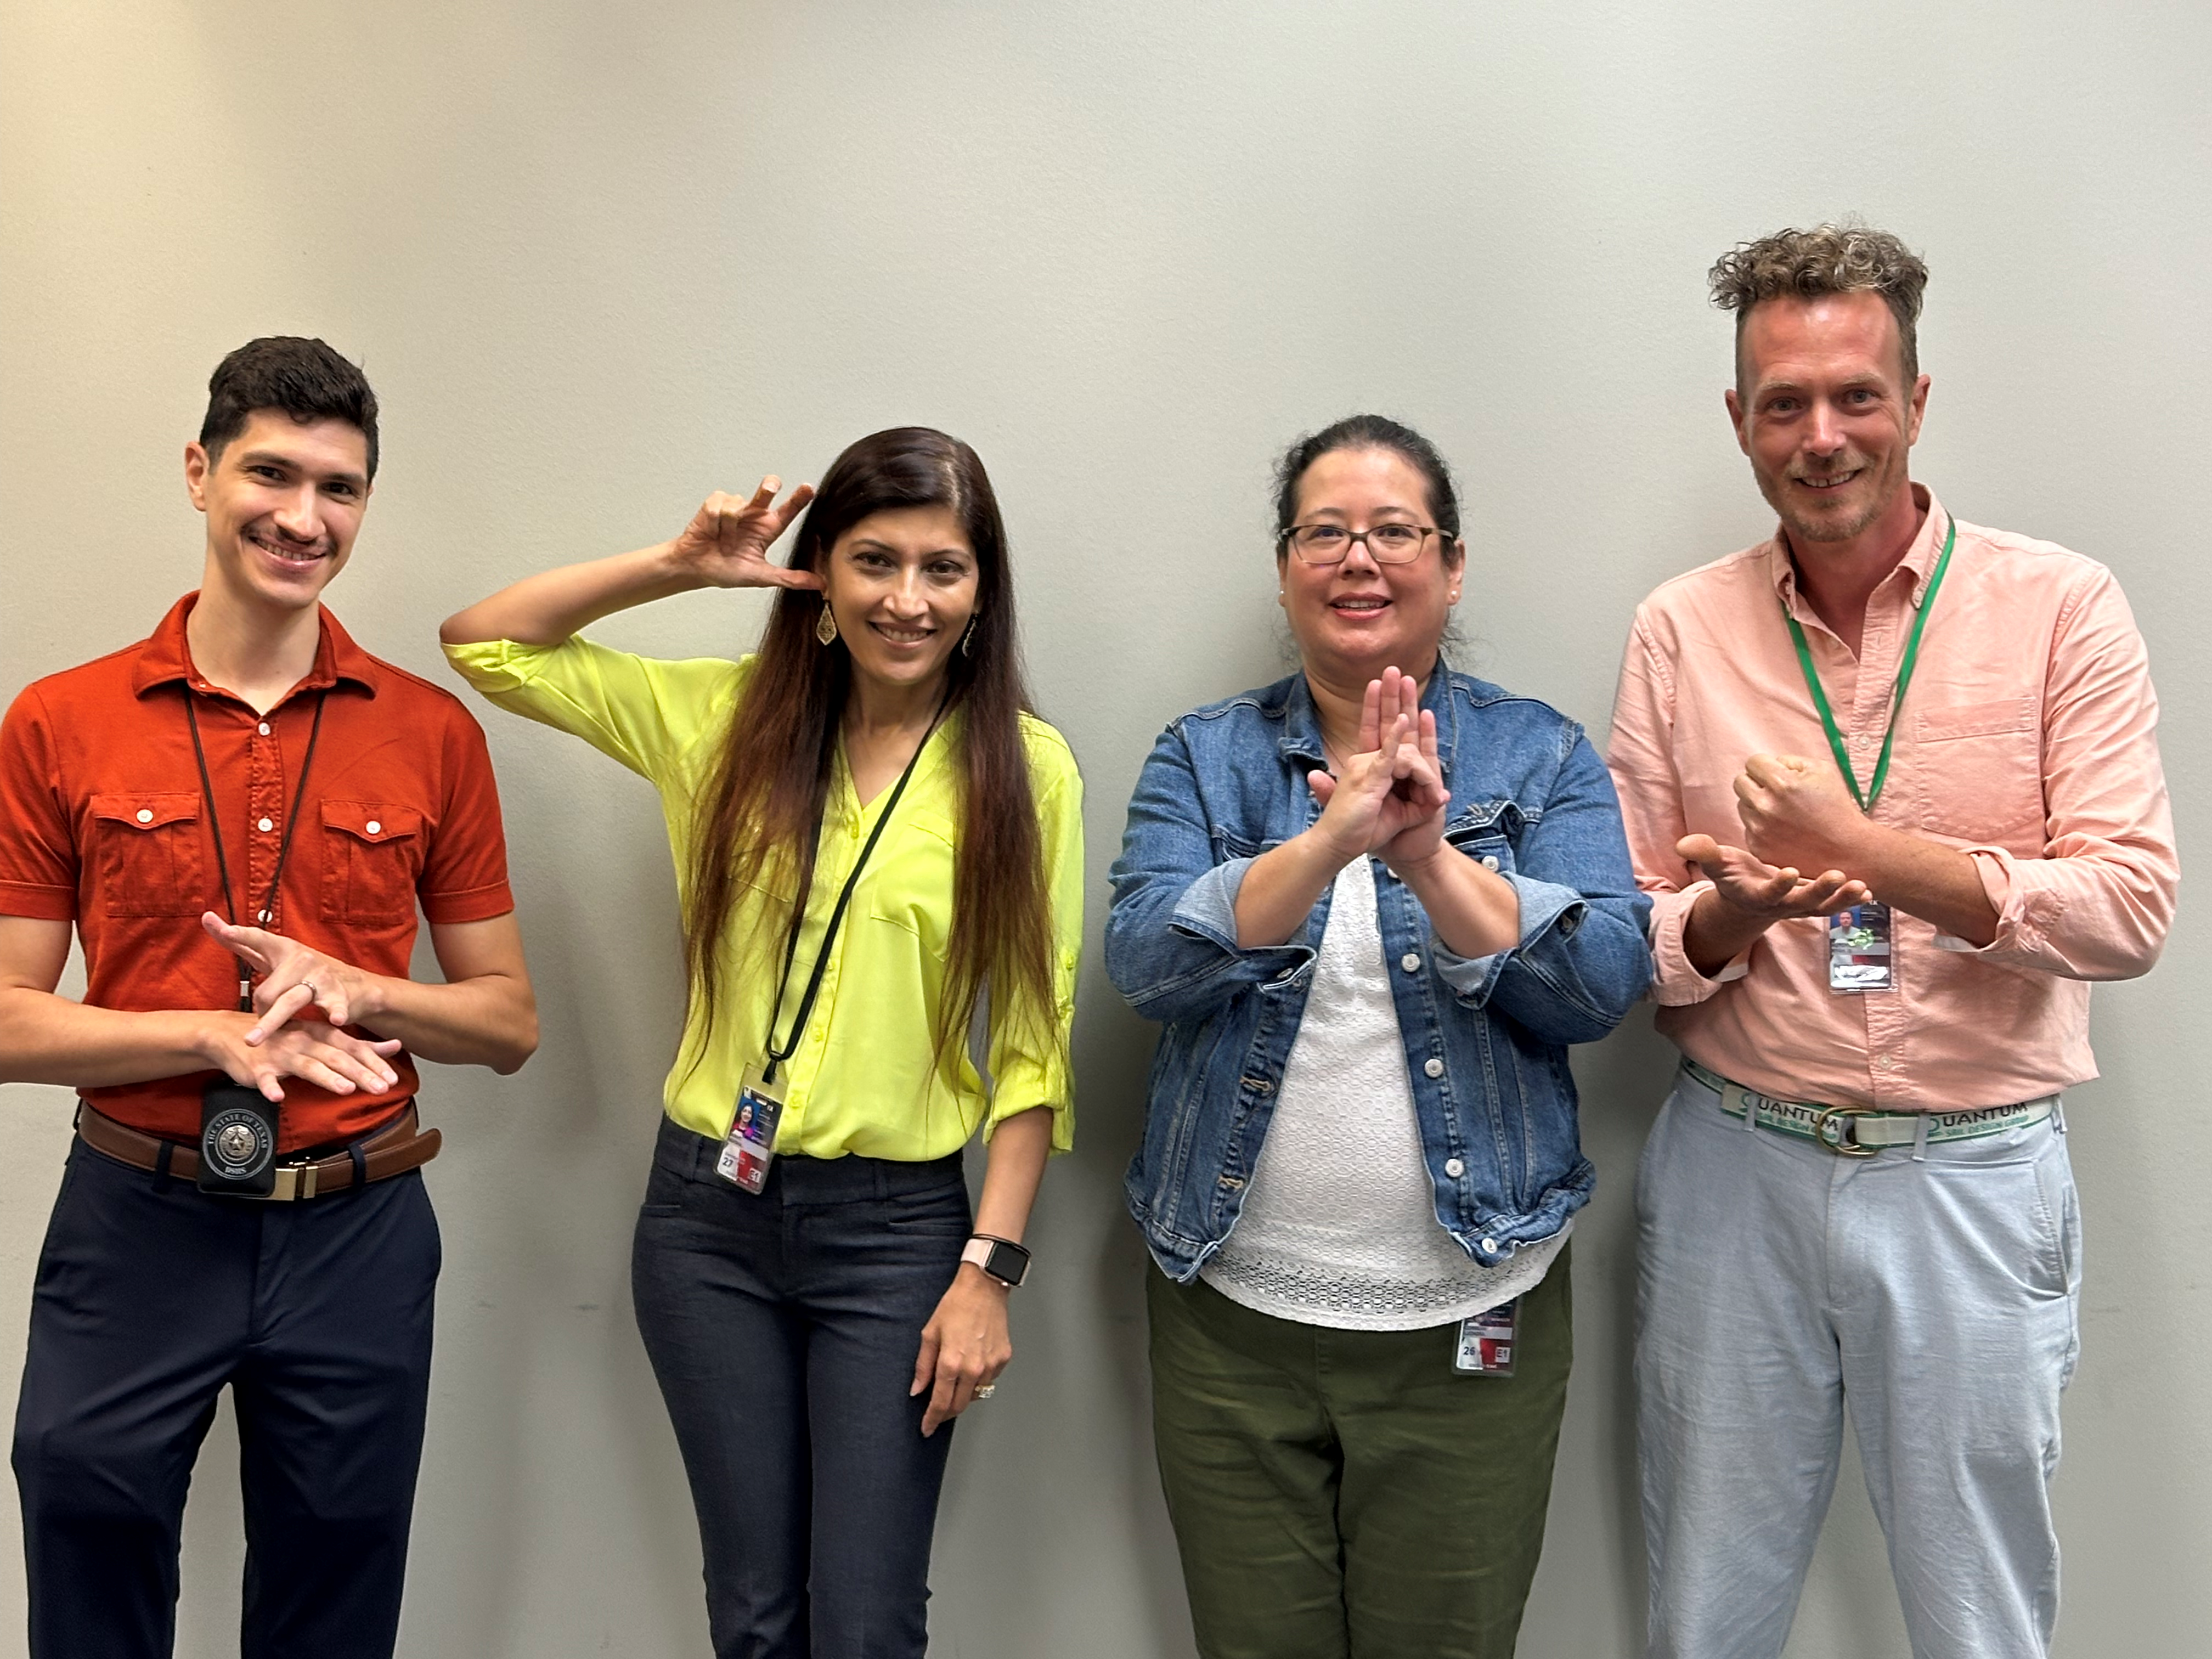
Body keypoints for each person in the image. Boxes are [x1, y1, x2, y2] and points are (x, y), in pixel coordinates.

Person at [1605, 224, 2179, 1659]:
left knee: (1980, 1619)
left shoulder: (2062, 609)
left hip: (1974, 1175)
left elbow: (2129, 908)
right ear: (1738, 420)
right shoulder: (1681, 631)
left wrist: (1864, 855)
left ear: (1919, 401)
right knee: (1705, 1611)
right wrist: (1729, 914)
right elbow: (1624, 941)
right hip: (1737, 1163)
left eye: (1857, 394)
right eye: (1784, 403)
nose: (1823, 436)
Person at [440, 427, 1082, 1659]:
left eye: (943, 568)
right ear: (822, 581)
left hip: (900, 1236)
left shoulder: (1026, 771)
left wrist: (986, 1270)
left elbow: (1033, 1045)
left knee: (866, 1622)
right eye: (874, 562)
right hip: (704, 1227)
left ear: (982, 589)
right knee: (753, 1614)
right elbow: (486, 643)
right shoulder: (721, 719)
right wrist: (681, 569)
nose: (908, 599)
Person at [0, 336, 539, 1658]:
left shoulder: (431, 733)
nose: (305, 518)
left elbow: (507, 1022)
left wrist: (363, 990)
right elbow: (8, 1018)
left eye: (341, 489)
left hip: (356, 1227)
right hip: (136, 1220)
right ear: (200, 472)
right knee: (84, 1544)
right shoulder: (58, 723)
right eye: (271, 473)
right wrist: (203, 1033)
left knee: (331, 1611)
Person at [1106, 415, 1651, 1659]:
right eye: (1325, 532)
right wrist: (1325, 846)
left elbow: (1599, 987)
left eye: (1395, 531)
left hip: (1472, 1316)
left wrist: (1426, 859)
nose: (1360, 558)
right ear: (1288, 565)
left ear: (1451, 565)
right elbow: (1146, 964)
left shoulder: (1540, 752)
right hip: (1229, 1317)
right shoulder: (1205, 755)